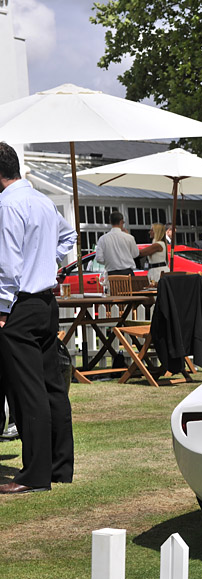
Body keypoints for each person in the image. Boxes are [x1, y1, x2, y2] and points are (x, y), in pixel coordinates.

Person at [0, 141, 77, 494]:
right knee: (52, 388)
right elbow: (69, 236)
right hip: (47, 303)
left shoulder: (6, 206)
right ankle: (60, 467)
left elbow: (7, 266)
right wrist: (51, 265)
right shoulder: (43, 201)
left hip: (19, 306)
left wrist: (1, 310)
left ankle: (34, 475)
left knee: (28, 390)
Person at [94, 211, 139, 276]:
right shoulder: (129, 237)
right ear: (121, 222)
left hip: (112, 273)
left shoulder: (102, 239)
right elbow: (135, 254)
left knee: (113, 286)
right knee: (128, 286)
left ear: (110, 222)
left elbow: (99, 258)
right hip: (127, 272)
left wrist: (110, 261)